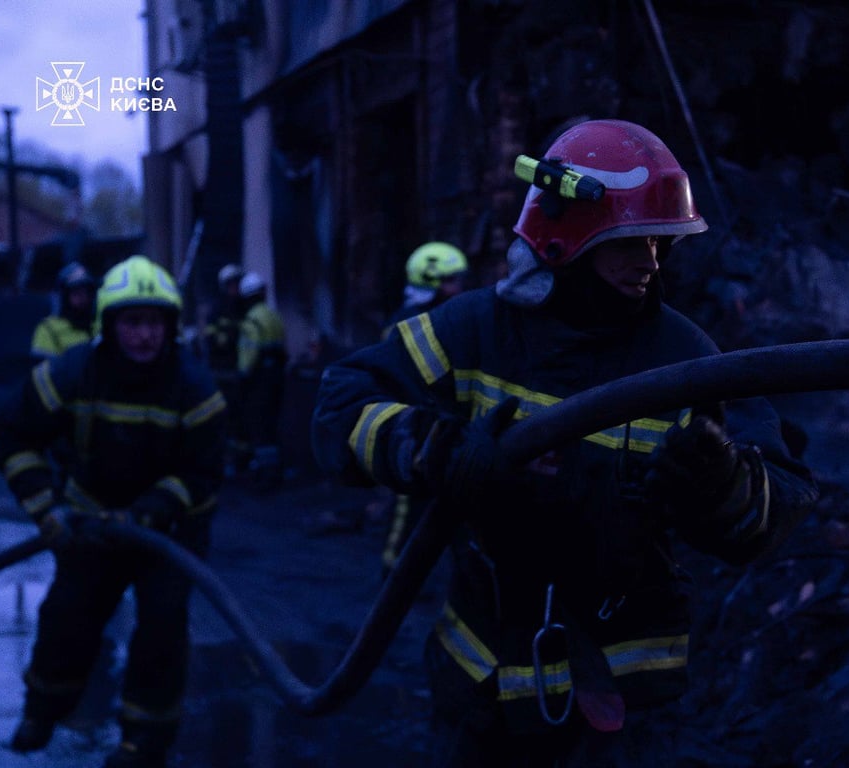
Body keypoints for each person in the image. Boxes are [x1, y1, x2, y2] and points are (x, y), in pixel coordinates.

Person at [312, 119, 818, 766]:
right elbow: (341, 403)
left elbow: (782, 505)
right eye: (630, 241)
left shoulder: (684, 358)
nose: (650, 262)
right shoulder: (476, 331)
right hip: (483, 697)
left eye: (661, 242)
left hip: (623, 712)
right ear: (567, 237)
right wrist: (433, 448)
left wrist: (724, 490)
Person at [0, 255, 227, 768]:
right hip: (87, 520)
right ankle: (43, 712)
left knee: (162, 628)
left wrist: (150, 511)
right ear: (109, 323)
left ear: (171, 326)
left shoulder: (196, 388)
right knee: (66, 616)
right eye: (132, 321)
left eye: (154, 322)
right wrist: (46, 509)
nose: (143, 335)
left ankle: (144, 743)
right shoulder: (70, 374)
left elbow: (203, 474)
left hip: (169, 533)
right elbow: (12, 435)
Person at [380, 241, 470, 575]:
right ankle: (395, 568)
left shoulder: (438, 316)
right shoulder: (411, 323)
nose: (459, 285)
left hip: (440, 422)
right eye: (451, 279)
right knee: (409, 502)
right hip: (416, 423)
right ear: (430, 279)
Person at [237, 271, 288, 488]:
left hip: (258, 382)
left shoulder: (252, 321)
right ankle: (274, 470)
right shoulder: (274, 316)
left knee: (259, 426)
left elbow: (247, 356)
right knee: (271, 425)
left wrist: (243, 378)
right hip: (276, 379)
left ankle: (264, 474)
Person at [202, 263, 247, 472]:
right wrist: (230, 338)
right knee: (221, 416)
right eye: (231, 284)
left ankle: (238, 461)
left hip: (239, 370)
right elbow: (213, 339)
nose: (235, 288)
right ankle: (222, 460)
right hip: (220, 371)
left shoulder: (245, 308)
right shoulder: (217, 309)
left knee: (239, 417)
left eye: (238, 283)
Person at [30, 261, 97, 360]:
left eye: (87, 291)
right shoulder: (48, 329)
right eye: (76, 292)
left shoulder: (100, 325)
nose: (84, 297)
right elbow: (41, 371)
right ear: (64, 297)